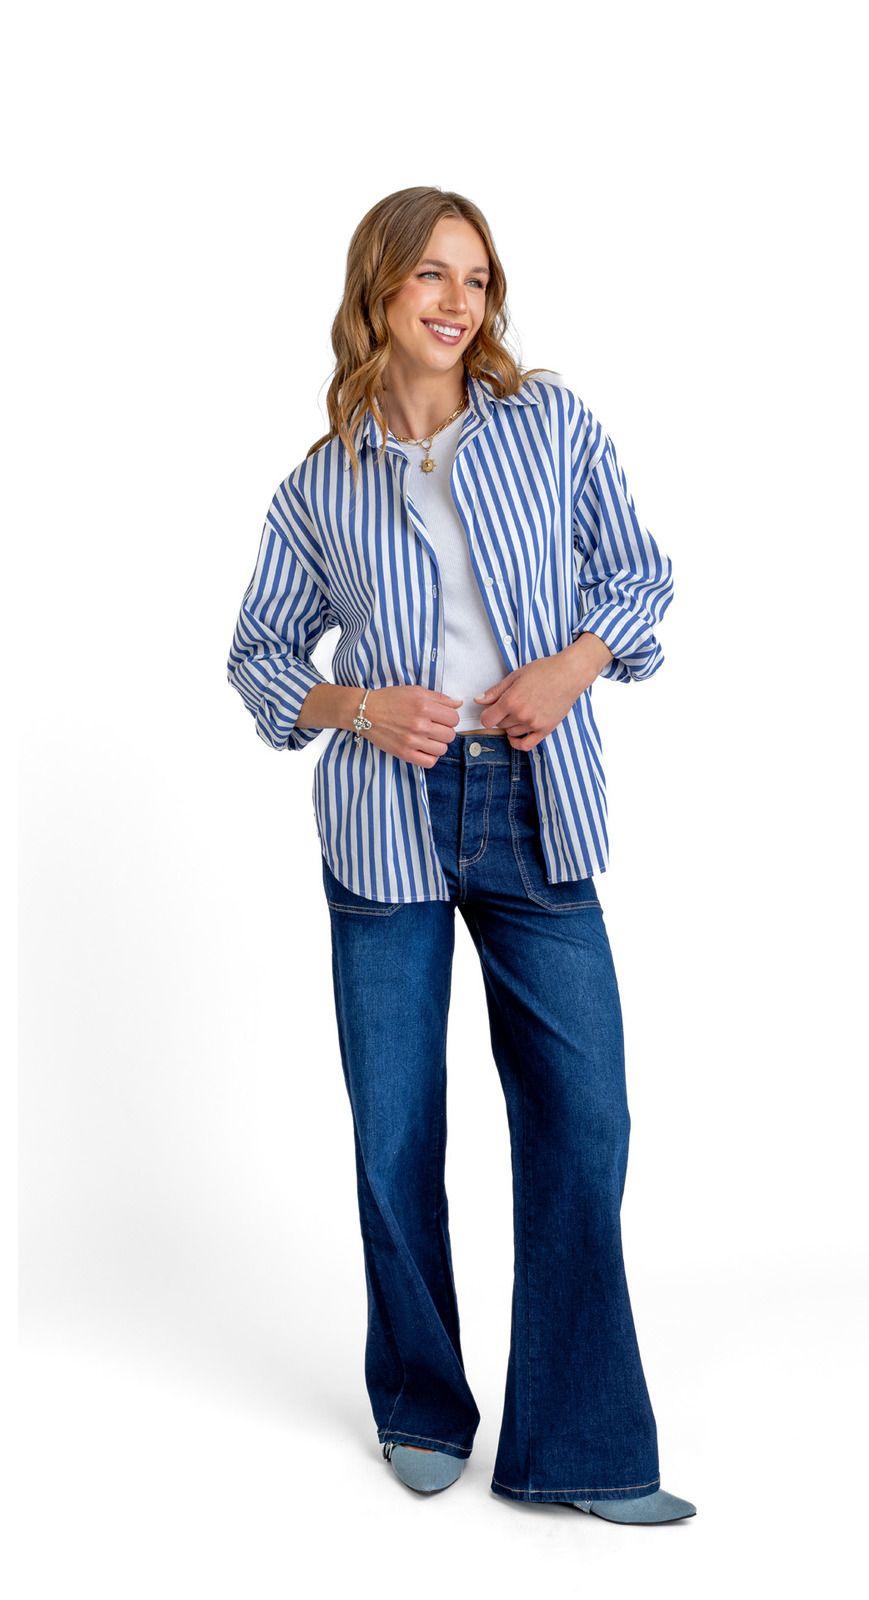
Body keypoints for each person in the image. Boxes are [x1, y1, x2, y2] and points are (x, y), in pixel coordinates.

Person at [226, 186, 694, 1524]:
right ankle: (421, 1403)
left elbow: (642, 576)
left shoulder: (550, 424)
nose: (456, 300)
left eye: (476, 280)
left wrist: (570, 666)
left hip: (536, 803)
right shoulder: (320, 486)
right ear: (379, 288)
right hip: (390, 819)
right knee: (396, 1130)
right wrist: (357, 707)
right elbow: (257, 657)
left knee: (584, 1117)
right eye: (431, 273)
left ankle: (579, 1446)